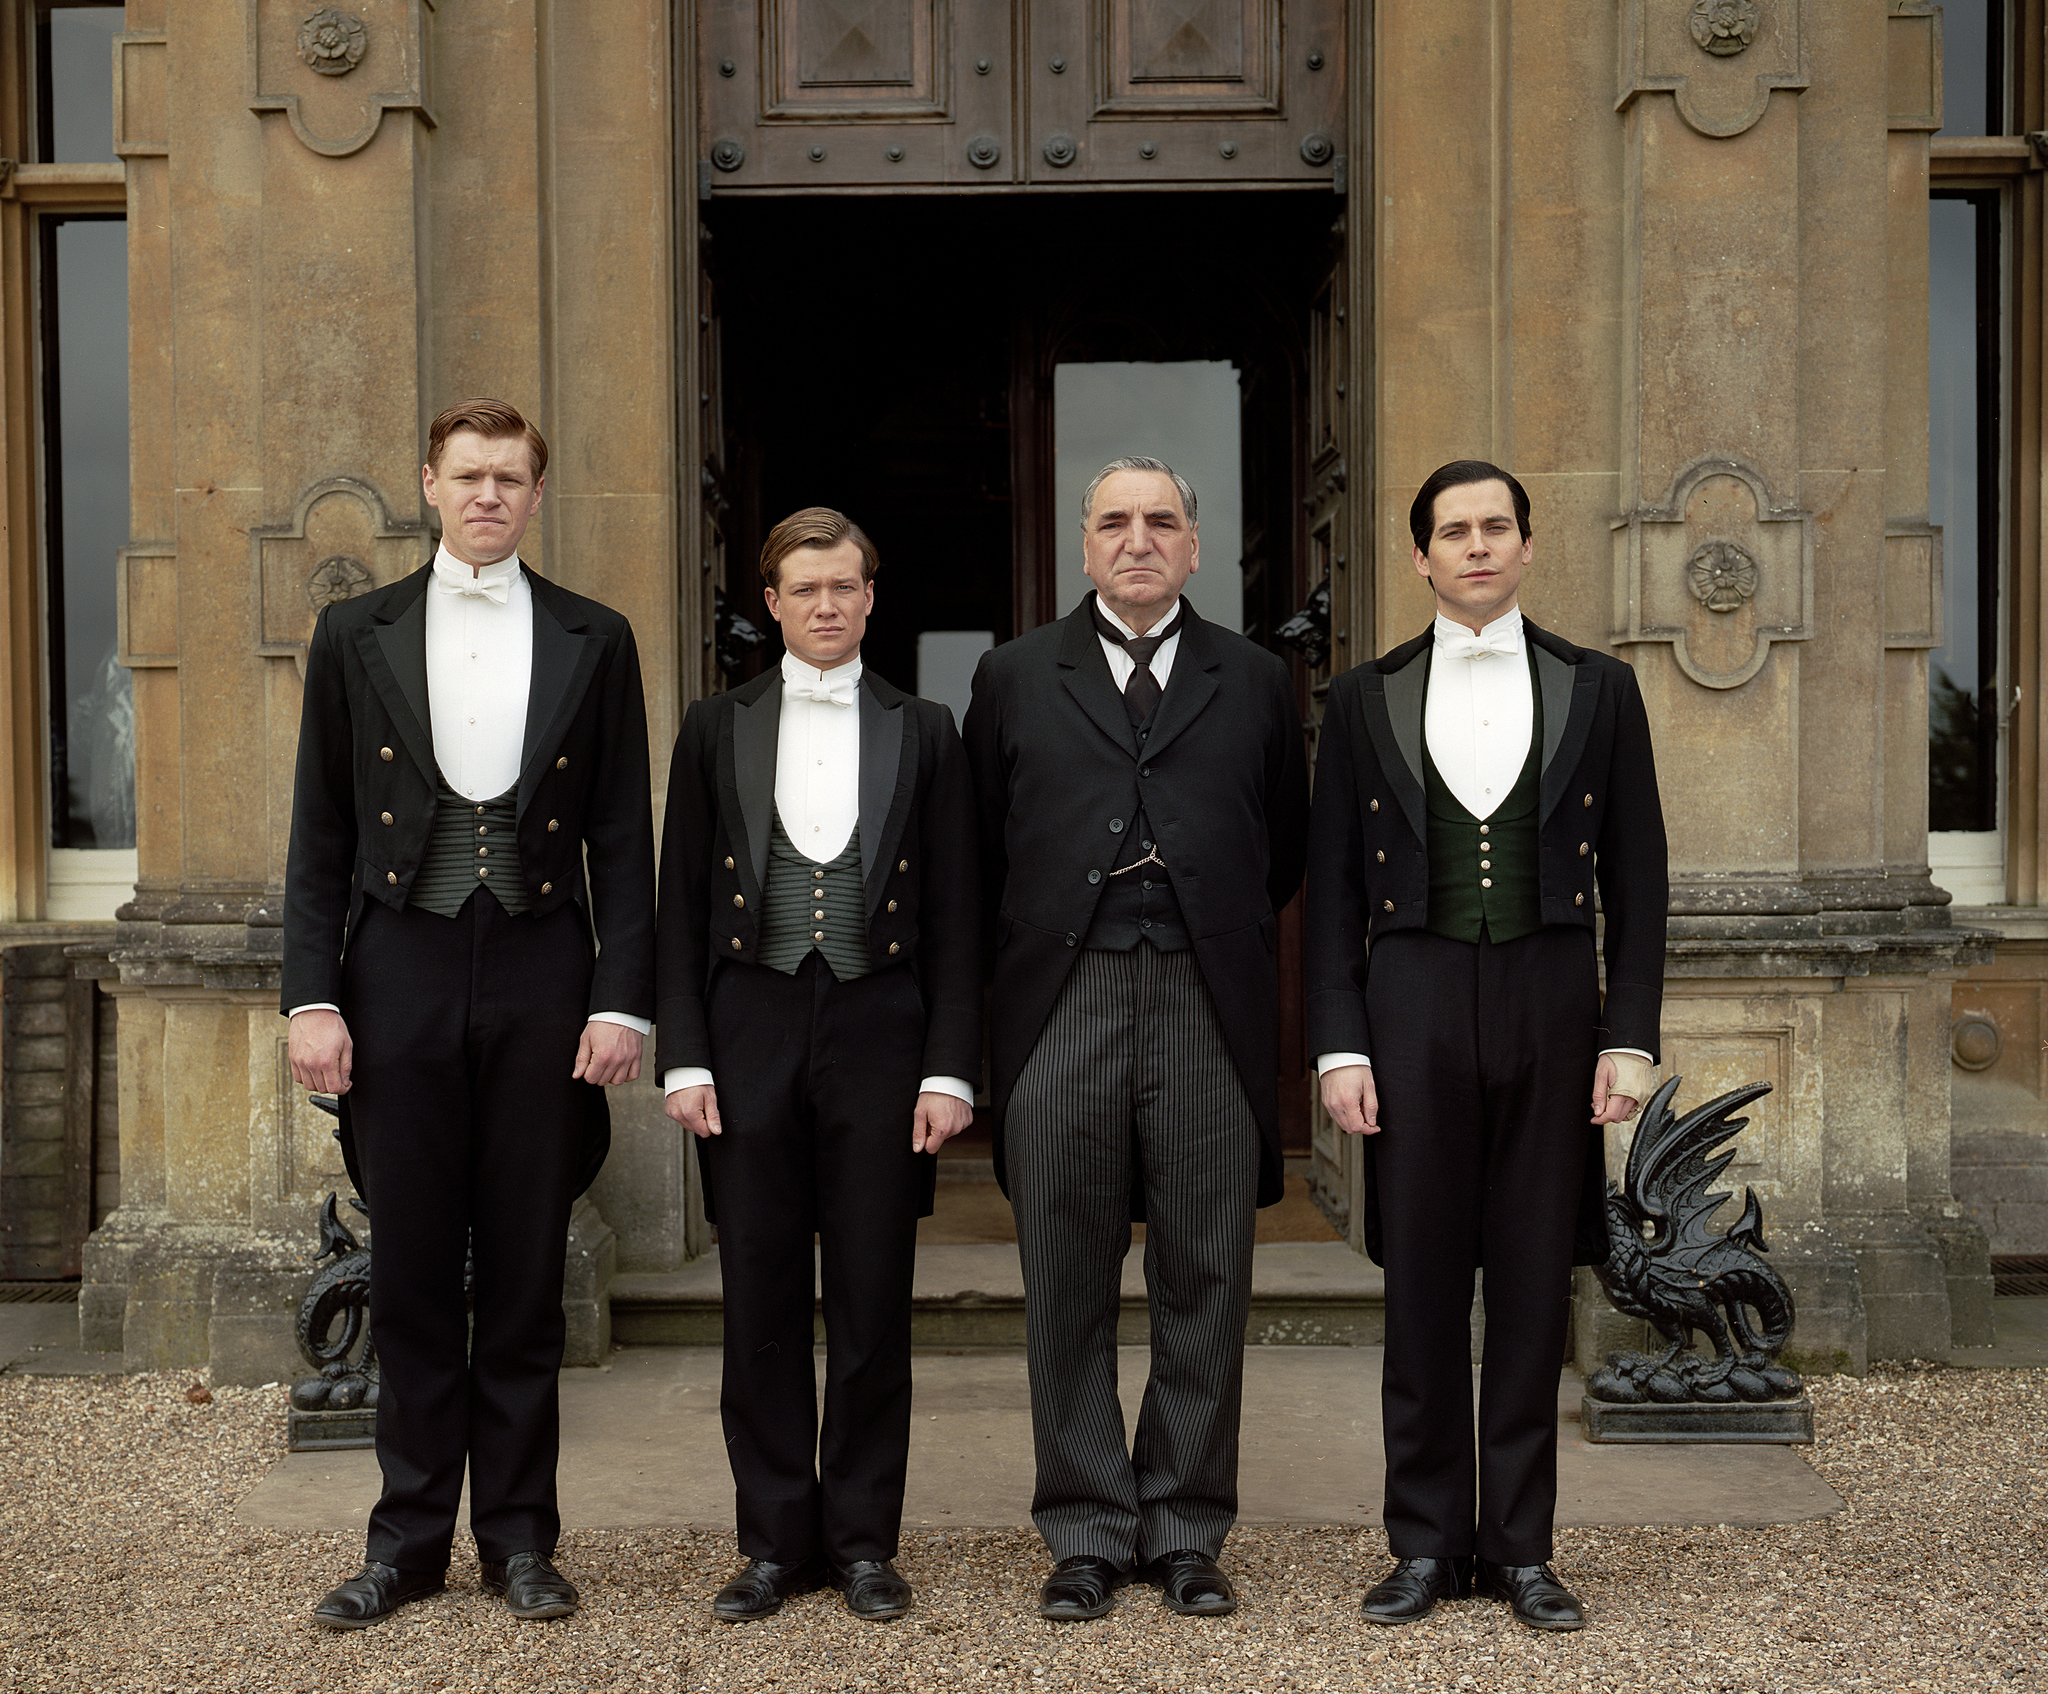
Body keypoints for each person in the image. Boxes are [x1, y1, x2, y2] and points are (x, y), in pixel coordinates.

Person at [283, 398, 656, 1629]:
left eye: (510, 476)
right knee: (408, 1274)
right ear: (429, 485)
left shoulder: (597, 636)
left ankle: (519, 1540)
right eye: (468, 474)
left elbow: (621, 838)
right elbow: (320, 836)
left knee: (524, 1274)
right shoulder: (354, 630)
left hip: (546, 967)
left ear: (535, 495)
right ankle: (404, 1544)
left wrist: (619, 998)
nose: (488, 492)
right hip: (397, 965)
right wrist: (313, 998)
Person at [1306, 459, 1668, 1632]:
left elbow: (1642, 879)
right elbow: (1325, 899)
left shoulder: (1598, 686)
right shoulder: (1360, 698)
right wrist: (1336, 1046)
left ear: (1524, 545)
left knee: (1524, 1284)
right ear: (1418, 556)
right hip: (1405, 998)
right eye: (1450, 530)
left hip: (1551, 997)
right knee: (1417, 1288)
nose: (1473, 545)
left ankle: (1518, 1547)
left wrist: (1629, 1037)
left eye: (1493, 526)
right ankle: (1421, 1543)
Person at [963, 456, 1309, 1622]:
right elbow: (977, 851)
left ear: (1194, 547)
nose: (1138, 539)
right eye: (1114, 521)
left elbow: (1288, 845)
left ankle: (1184, 1526)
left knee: (1205, 1269)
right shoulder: (1012, 676)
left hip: (1207, 1004)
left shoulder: (1256, 678)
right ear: (1083, 544)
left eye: (1161, 520)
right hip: (1061, 1003)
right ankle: (1084, 1525)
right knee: (1063, 1270)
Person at [655, 508, 980, 1623]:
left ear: (870, 596)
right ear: (773, 603)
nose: (827, 605)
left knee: (872, 1297)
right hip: (744, 1023)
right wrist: (682, 1056)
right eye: (806, 588)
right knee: (755, 1294)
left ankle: (861, 1541)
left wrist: (950, 1068)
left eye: (845, 585)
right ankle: (770, 1538)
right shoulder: (713, 725)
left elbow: (957, 914)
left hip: (883, 1029)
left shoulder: (927, 727)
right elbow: (678, 905)